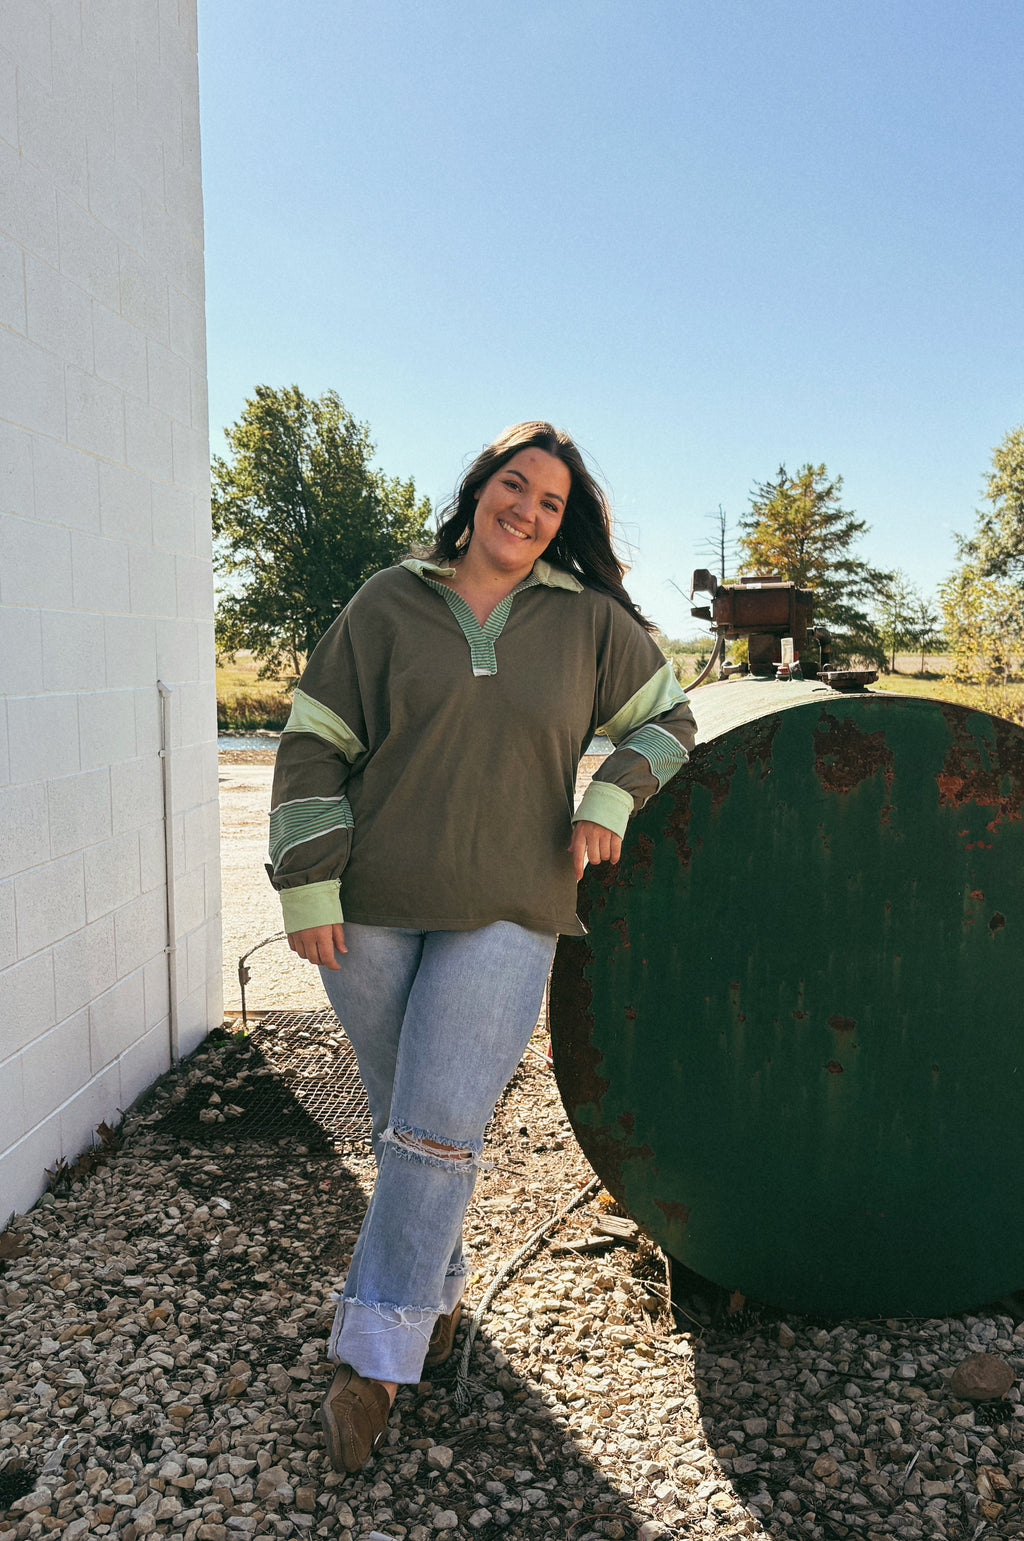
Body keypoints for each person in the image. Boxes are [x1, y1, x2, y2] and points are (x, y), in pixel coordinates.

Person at [266, 421, 697, 1472]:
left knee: (438, 1129)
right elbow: (314, 737)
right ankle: (439, 1288)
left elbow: (668, 721)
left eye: (551, 502)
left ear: (565, 522)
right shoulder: (387, 599)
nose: (529, 511)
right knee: (411, 1123)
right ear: (478, 491)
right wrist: (306, 880)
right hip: (366, 906)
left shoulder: (587, 620)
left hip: (510, 904)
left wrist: (608, 794)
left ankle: (372, 1355)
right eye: (516, 486)